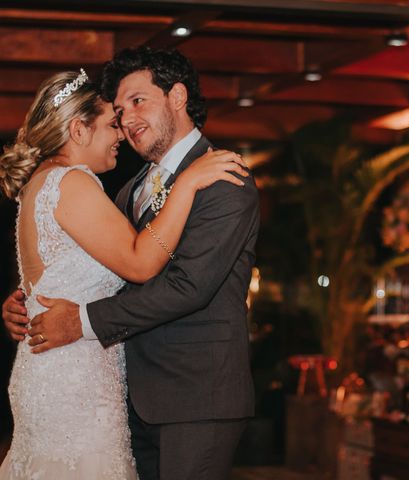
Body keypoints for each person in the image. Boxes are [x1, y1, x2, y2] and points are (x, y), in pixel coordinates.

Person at [3, 47, 259, 480]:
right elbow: (114, 267)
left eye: (138, 102)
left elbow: (187, 287)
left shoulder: (221, 178)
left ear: (177, 97)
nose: (125, 123)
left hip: (194, 397)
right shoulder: (128, 191)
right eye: (118, 112)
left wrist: (79, 320)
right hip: (123, 395)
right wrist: (28, 302)